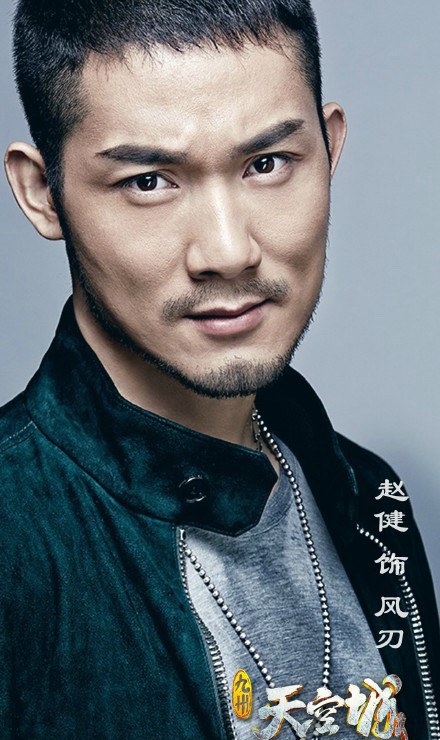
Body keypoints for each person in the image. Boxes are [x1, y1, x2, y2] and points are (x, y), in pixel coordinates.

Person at [1, 0, 439, 738]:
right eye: (149, 181)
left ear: (330, 149)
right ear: (44, 193)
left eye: (267, 164)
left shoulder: (364, 493)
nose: (229, 251)